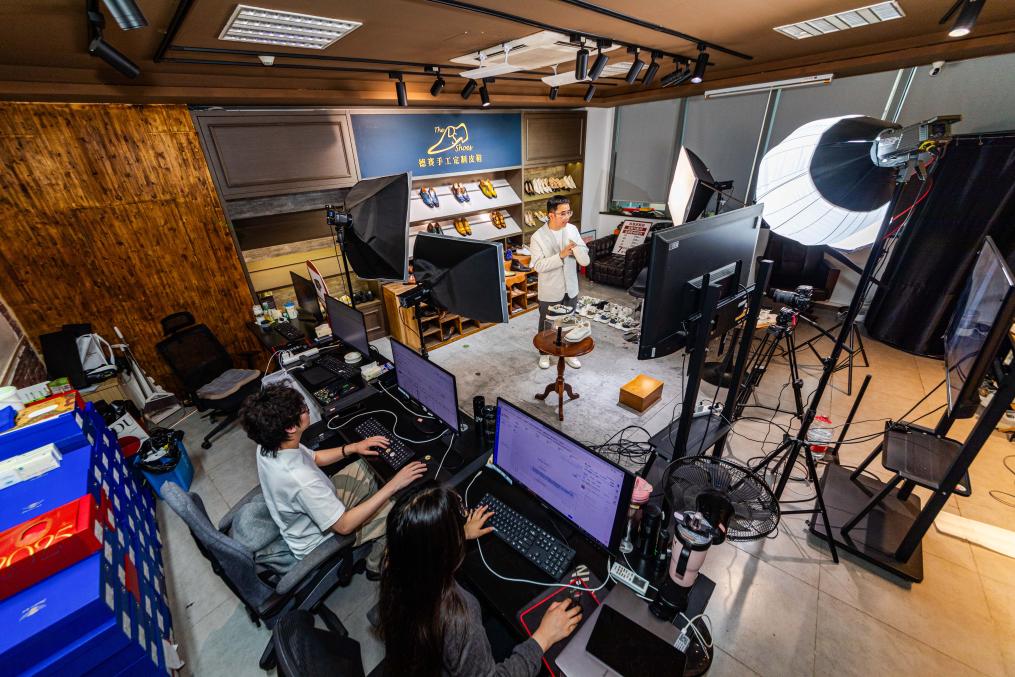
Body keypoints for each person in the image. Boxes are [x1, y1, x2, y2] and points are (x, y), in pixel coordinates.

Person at [377, 482, 582, 676]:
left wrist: (460, 534)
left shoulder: (394, 563)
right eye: (461, 513)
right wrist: (543, 638)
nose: (466, 513)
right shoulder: (459, 618)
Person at [240, 384, 426, 577]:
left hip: (320, 505)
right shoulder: (301, 480)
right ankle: (375, 565)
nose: (306, 409)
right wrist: (393, 485)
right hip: (325, 538)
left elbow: (315, 457)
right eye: (303, 408)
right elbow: (344, 526)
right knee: (405, 509)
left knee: (369, 466)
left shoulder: (270, 445)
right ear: (290, 427)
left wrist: (353, 447)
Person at [529, 195, 590, 370]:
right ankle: (544, 353)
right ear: (551, 214)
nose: (567, 217)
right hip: (550, 289)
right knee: (547, 324)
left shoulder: (572, 229)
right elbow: (538, 266)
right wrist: (560, 256)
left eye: (569, 212)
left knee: (569, 321)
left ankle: (568, 352)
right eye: (562, 213)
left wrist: (578, 250)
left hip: (570, 287)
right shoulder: (537, 237)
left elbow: (583, 254)